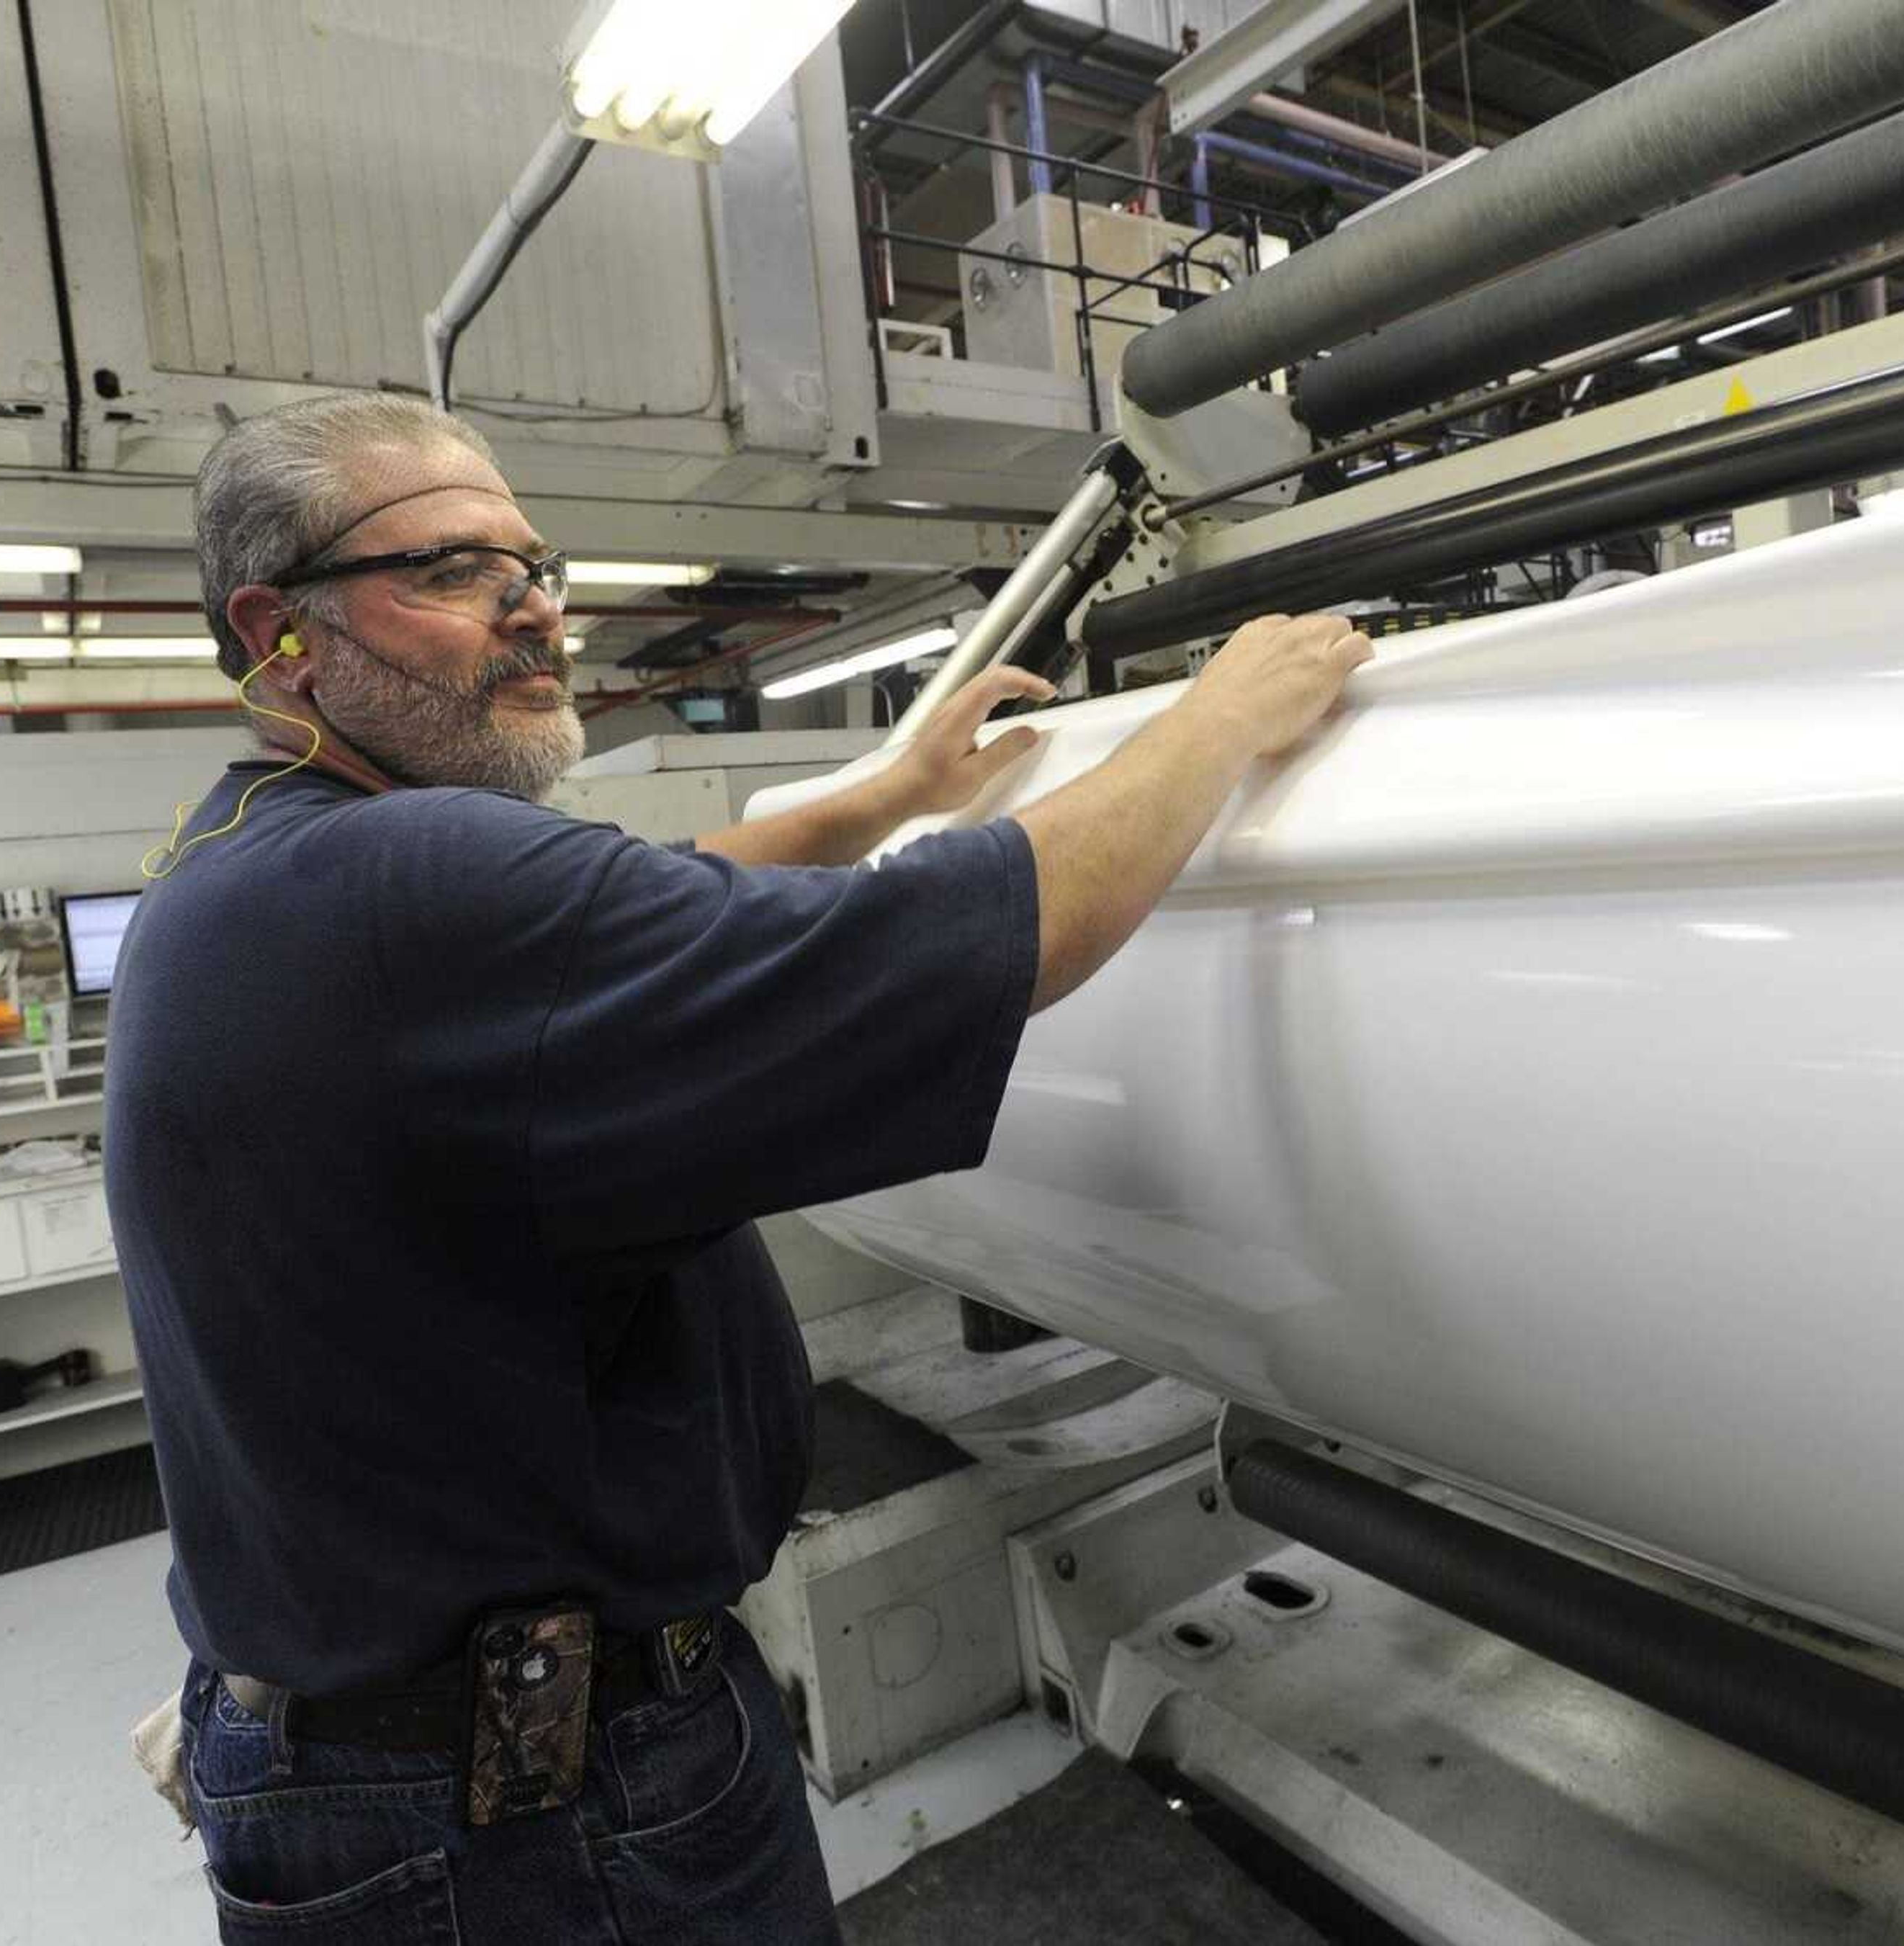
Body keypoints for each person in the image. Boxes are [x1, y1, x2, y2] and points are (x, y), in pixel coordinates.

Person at [105, 390, 1369, 1942]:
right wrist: (1221, 716)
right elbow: (965, 940)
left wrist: (877, 799)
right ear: (278, 632)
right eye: (450, 571)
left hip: (372, 1760)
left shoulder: (248, 852)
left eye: (534, 565)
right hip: (525, 1826)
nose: (533, 614)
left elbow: (630, 917)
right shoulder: (408, 875)